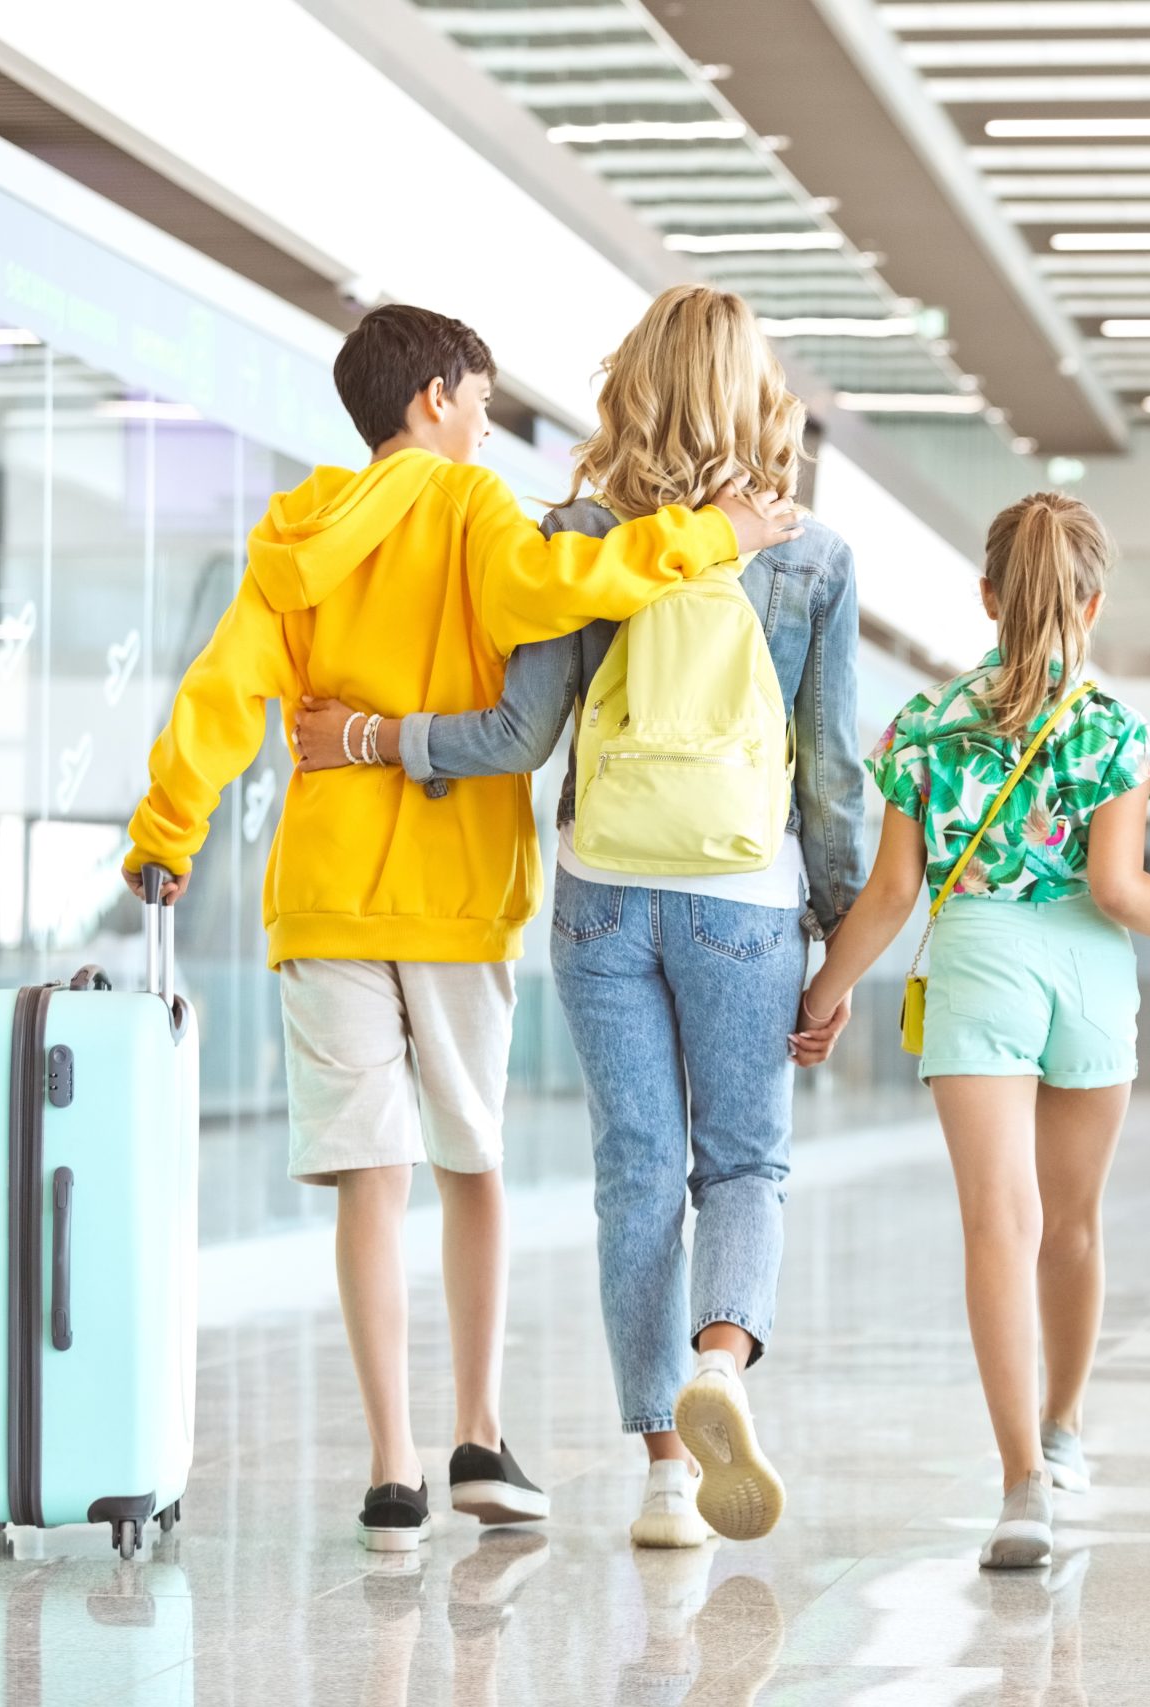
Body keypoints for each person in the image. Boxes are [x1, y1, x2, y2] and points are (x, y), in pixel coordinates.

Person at [122, 302, 801, 1552]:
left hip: (323, 896)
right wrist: (714, 534)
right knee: (468, 1166)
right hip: (456, 898)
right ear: (433, 398)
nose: (486, 429)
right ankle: (478, 1438)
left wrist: (167, 831)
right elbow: (566, 587)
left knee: (367, 1181)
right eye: (481, 406)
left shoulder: (295, 533)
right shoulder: (474, 507)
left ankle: (393, 1476)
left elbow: (220, 691)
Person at [293, 284, 864, 1552]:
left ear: (634, 387)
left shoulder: (583, 535)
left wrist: (375, 738)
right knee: (743, 1164)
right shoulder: (810, 555)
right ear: (759, 395)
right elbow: (830, 780)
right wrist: (833, 943)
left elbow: (514, 737)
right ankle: (719, 1364)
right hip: (745, 897)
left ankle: (666, 1478)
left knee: (637, 1175)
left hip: (602, 895)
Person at [792, 492, 1150, 1570]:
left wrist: (823, 995)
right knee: (1070, 1224)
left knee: (999, 1223)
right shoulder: (1113, 727)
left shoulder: (926, 725)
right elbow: (1119, 889)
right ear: (1094, 602)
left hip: (979, 962)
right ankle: (1065, 1426)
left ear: (987, 596)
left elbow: (892, 894)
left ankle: (1020, 1485)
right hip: (1087, 969)